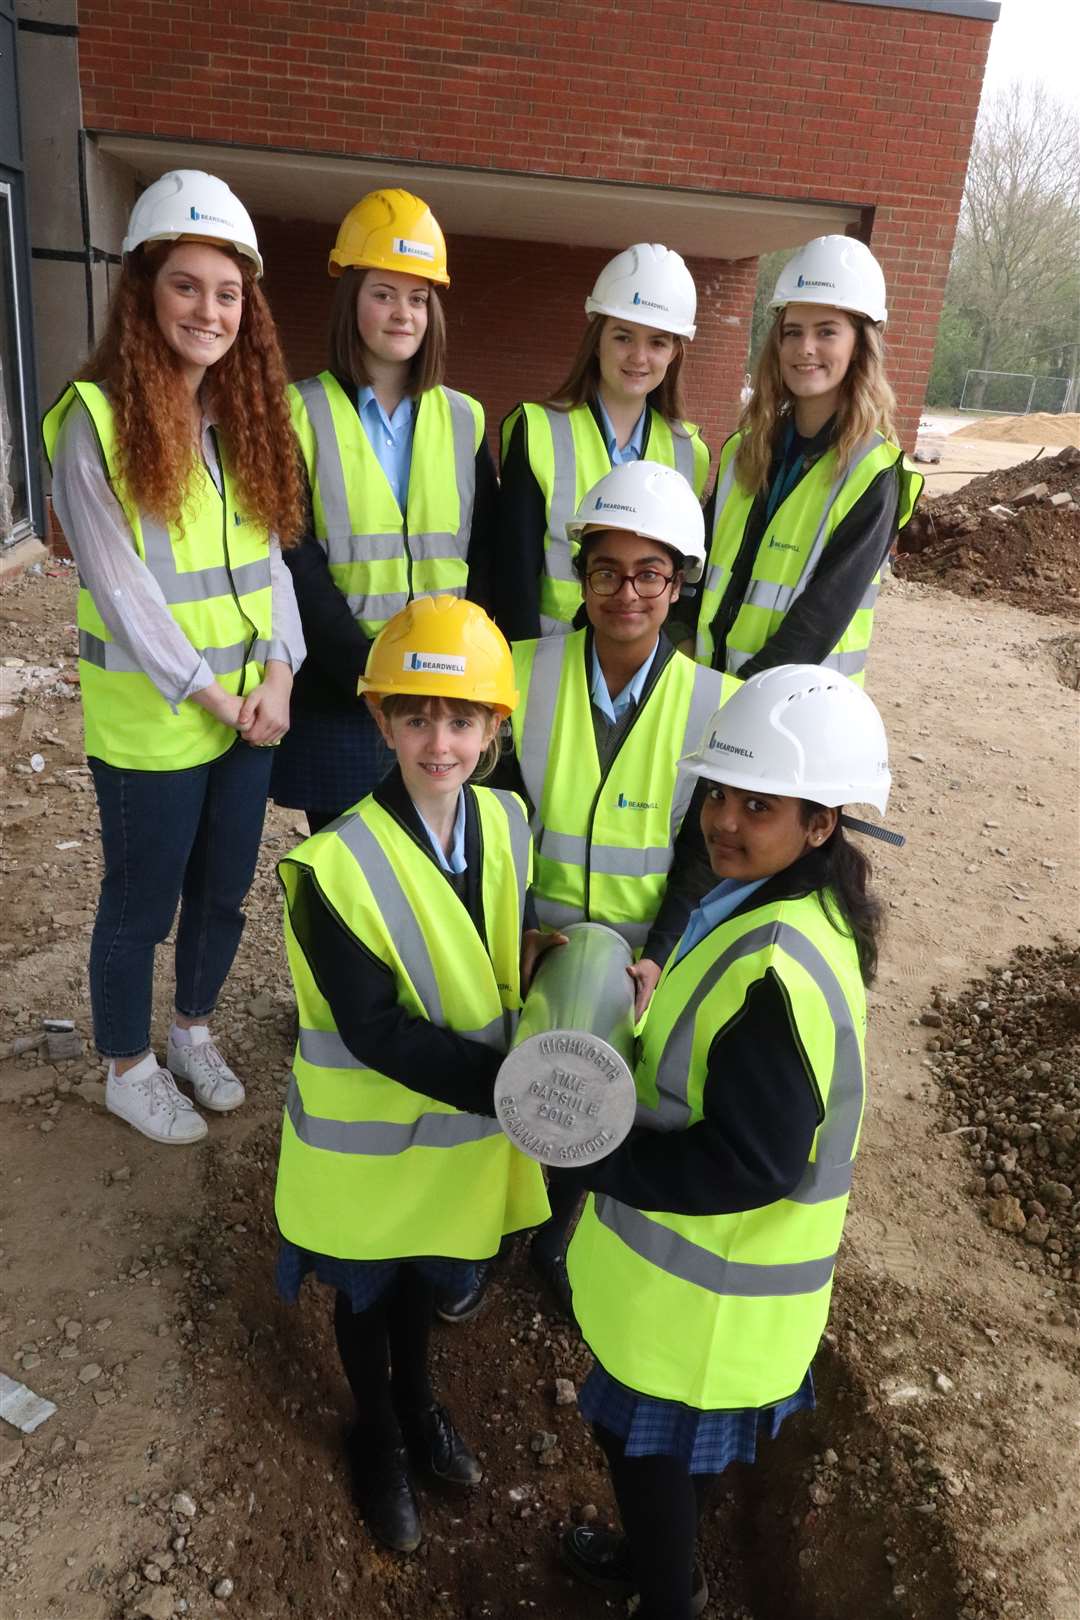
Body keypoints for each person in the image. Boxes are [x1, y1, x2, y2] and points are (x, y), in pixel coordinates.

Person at [556, 663, 894, 1620]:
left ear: (821, 822)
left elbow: (752, 1162)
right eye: (717, 793)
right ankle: (662, 1567)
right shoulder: (790, 908)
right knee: (667, 1468)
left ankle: (669, 1598)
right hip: (713, 1299)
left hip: (701, 1307)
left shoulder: (778, 967)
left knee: (645, 1457)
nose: (724, 820)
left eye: (758, 803)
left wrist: (593, 1158)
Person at [273, 595, 553, 1555]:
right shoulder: (331, 868)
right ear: (382, 720)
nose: (442, 740)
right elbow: (377, 1032)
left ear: (494, 729)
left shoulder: (508, 823)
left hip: (452, 1145)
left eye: (463, 718)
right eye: (418, 716)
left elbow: (495, 951)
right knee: (366, 1295)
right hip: (369, 1151)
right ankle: (381, 1437)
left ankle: (421, 1403)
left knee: (421, 1288)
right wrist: (520, 1090)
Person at [436, 461, 738, 1327]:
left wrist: (661, 952)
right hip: (531, 943)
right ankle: (487, 1236)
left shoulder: (712, 702)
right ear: (581, 576)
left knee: (601, 1102)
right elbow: (490, 819)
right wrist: (515, 933)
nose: (627, 592)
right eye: (607, 570)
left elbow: (700, 851)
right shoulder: (521, 673)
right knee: (508, 1088)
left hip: (639, 955)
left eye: (650, 573)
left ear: (679, 583)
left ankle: (558, 1235)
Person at [42, 169, 305, 1147]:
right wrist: (212, 693)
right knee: (139, 903)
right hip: (159, 722)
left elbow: (270, 560)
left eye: (228, 292)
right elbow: (123, 588)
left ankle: (191, 1031)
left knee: (224, 891)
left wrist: (279, 673)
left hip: (248, 714)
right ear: (144, 290)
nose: (209, 309)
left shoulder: (239, 422)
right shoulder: (96, 419)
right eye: (187, 285)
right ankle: (127, 1066)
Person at [271, 188, 499, 832]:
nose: (403, 313)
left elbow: (483, 553)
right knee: (349, 868)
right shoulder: (298, 413)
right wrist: (365, 670)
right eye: (384, 293)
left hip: (442, 692)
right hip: (345, 692)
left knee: (433, 863)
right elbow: (293, 556)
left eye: (419, 297)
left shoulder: (465, 418)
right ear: (351, 300)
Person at [693, 235, 923, 683]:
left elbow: (822, 616)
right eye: (793, 331)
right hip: (708, 683)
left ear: (860, 344)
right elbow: (700, 562)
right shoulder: (746, 448)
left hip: (793, 704)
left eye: (827, 331)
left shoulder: (874, 473)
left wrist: (743, 691)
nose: (805, 348)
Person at [495, 243, 709, 642]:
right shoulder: (537, 428)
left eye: (658, 342)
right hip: (546, 655)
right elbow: (512, 580)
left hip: (637, 667)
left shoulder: (689, 451)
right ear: (597, 340)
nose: (639, 357)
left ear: (675, 352)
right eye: (624, 337)